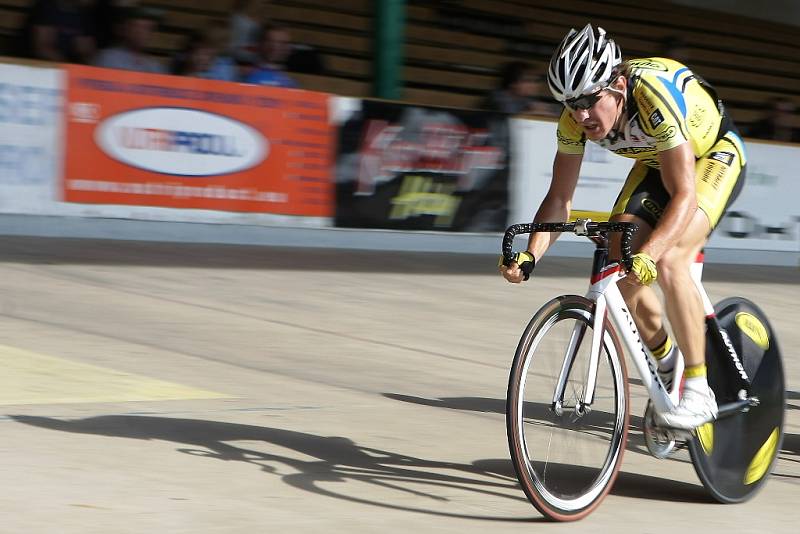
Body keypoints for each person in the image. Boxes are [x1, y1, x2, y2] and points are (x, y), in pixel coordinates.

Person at [499, 24, 747, 430]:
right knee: (620, 266)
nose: (580, 115)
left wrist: (652, 254)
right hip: (656, 161)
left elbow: (684, 194)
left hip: (715, 155)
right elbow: (560, 198)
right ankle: (668, 364)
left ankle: (700, 391)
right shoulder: (574, 119)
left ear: (616, 85)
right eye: (569, 103)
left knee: (670, 262)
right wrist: (530, 255)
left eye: (588, 101)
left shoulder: (653, 98)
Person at [17, 0, 96, 64]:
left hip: (70, 70)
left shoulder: (83, 13)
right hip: (35, 66)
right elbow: (43, 48)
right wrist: (68, 67)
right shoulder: (45, 7)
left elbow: (86, 51)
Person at [93, 6, 164, 73]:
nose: (141, 32)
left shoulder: (155, 66)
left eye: (147, 28)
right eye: (136, 26)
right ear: (126, 29)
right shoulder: (107, 58)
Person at [483, 61, 558, 116]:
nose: (534, 85)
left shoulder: (527, 100)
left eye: (536, 80)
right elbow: (505, 119)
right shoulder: (497, 98)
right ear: (513, 83)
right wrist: (532, 113)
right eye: (528, 80)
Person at [243, 23, 297, 88]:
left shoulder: (290, 83)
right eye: (270, 42)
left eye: (283, 43)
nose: (275, 47)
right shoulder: (247, 76)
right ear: (261, 44)